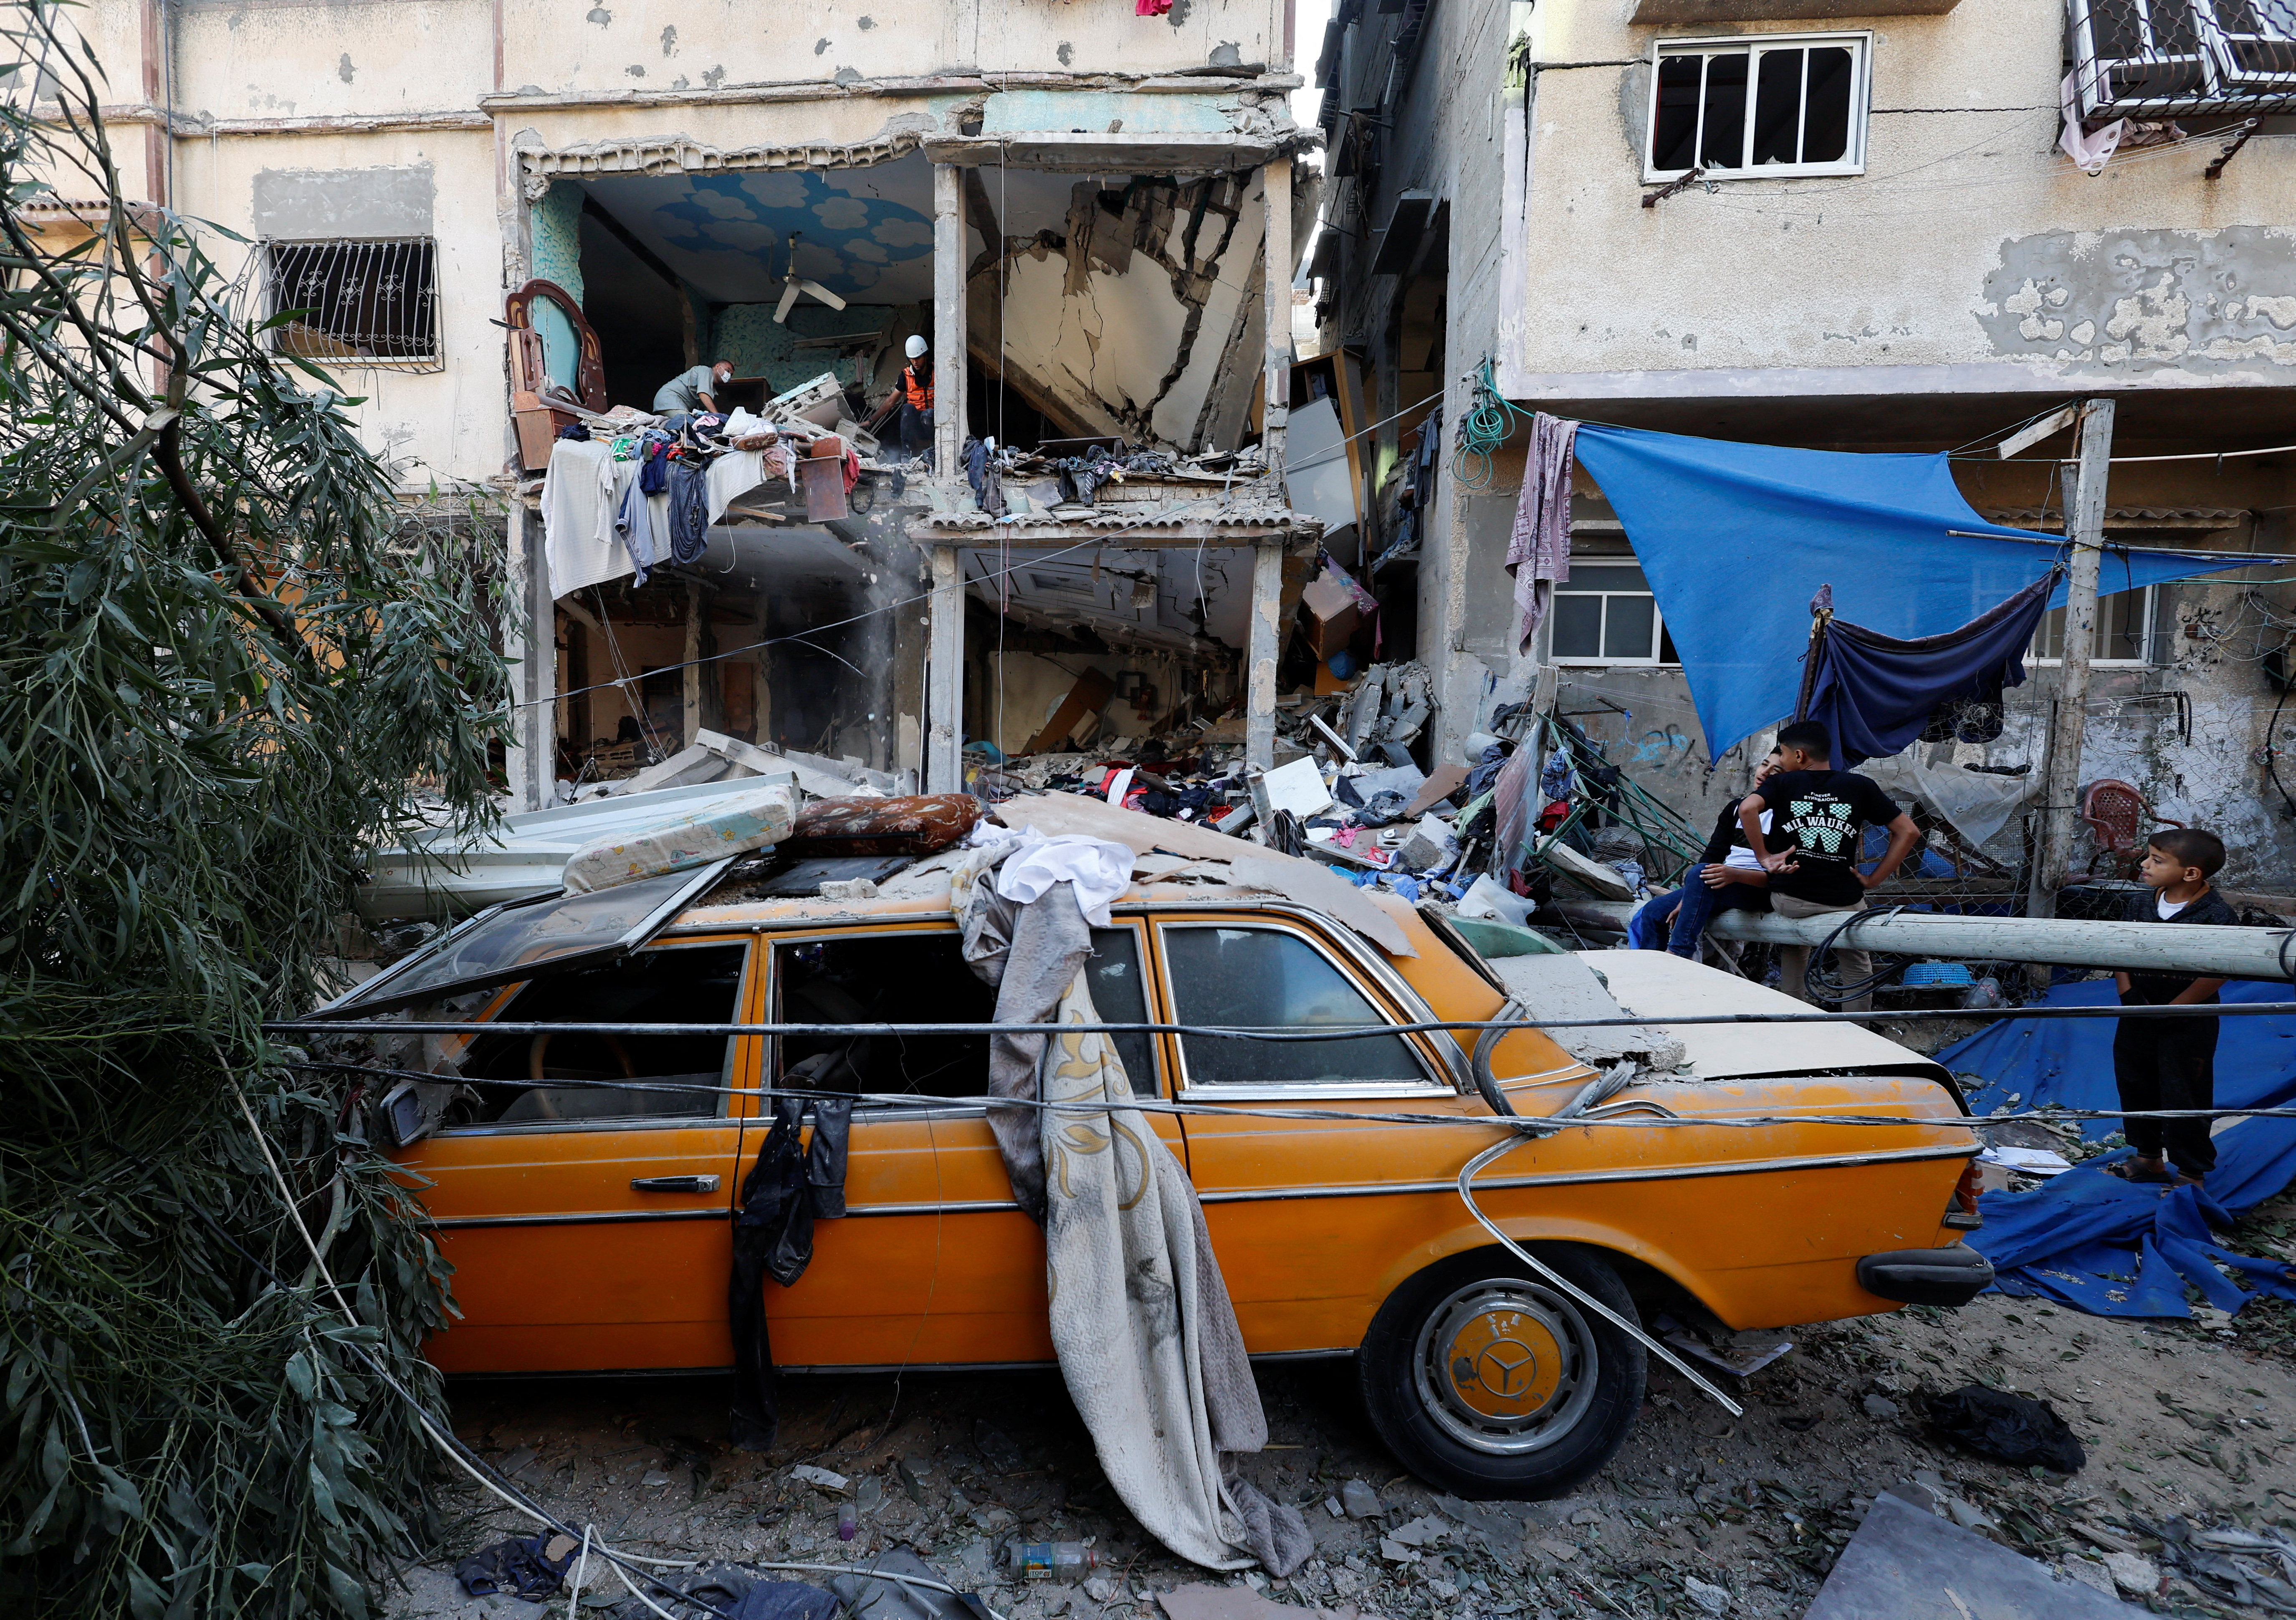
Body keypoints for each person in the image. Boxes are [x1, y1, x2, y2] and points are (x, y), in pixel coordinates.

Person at [1737, 719, 1921, 1011]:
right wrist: (1873, 880)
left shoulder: (1783, 783)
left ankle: (1794, 1018)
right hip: (1843, 900)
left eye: (1782, 755)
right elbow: (1909, 832)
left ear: (1798, 757)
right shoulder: (1860, 786)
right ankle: (1858, 1028)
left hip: (1792, 900)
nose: (1781, 762)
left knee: (1794, 947)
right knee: (1857, 961)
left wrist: (1764, 857)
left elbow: (1747, 808)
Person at [2112, 827, 2238, 1187]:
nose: (2145, 864)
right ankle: (2148, 1158)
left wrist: (2174, 1008)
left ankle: (2190, 1172)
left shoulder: (2216, 914)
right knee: (2135, 1083)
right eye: (2149, 856)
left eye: (2157, 860)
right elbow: (2117, 948)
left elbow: (2219, 970)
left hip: (2188, 1021)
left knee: (2185, 1091)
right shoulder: (2141, 903)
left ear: (2191, 873)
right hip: (2136, 1013)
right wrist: (2128, 996)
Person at [1629, 747, 1783, 962]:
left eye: (1776, 771)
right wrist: (1689, 898)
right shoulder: (1736, 808)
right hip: (1717, 883)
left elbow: (1781, 879)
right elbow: (1713, 855)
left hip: (1753, 889)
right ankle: (1653, 973)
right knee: (1654, 912)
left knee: (1700, 874)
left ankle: (1678, 954)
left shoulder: (1787, 817)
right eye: (1764, 764)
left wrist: (1735, 875)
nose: (1765, 773)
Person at [896, 334, 934, 463]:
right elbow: (891, 401)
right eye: (912, 359)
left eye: (918, 358)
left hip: (933, 422)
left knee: (928, 415)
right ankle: (906, 454)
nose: (915, 362)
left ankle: (935, 449)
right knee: (907, 408)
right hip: (916, 426)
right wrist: (870, 420)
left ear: (925, 356)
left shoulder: (937, 371)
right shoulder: (906, 376)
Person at [653, 359, 734, 417]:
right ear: (718, 366)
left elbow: (705, 408)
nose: (729, 375)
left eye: (731, 374)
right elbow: (703, 394)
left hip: (673, 404)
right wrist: (718, 416)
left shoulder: (712, 387)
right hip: (670, 400)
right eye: (728, 371)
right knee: (688, 424)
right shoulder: (706, 371)